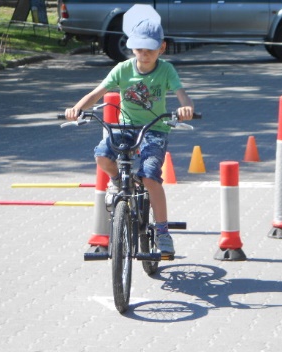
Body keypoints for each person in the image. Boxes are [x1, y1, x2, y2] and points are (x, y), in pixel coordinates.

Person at [64, 19, 194, 255]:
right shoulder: (123, 69)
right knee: (102, 156)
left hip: (155, 129)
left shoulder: (166, 70)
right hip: (125, 127)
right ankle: (117, 180)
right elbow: (97, 93)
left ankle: (163, 231)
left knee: (150, 176)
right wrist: (76, 109)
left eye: (150, 50)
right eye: (139, 50)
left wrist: (186, 108)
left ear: (161, 48)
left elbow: (181, 94)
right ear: (132, 48)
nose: (144, 55)